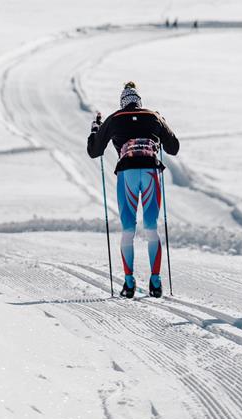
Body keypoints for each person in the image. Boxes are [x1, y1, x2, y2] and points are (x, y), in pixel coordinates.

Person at [87, 81, 179, 298]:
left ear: (123, 102)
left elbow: (94, 151)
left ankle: (129, 284)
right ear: (139, 102)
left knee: (128, 228)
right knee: (150, 227)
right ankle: (155, 283)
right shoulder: (154, 116)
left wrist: (95, 129)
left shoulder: (114, 118)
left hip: (127, 173)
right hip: (150, 173)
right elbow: (173, 148)